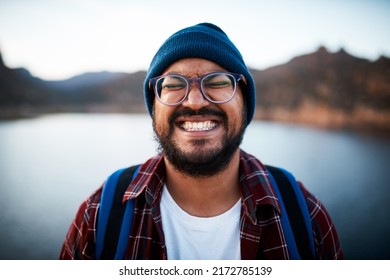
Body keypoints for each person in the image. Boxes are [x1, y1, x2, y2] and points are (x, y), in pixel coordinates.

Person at [59, 22, 343, 260]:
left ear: (245, 102)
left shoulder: (302, 214)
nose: (194, 102)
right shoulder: (101, 214)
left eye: (218, 82)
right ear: (154, 106)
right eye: (173, 85)